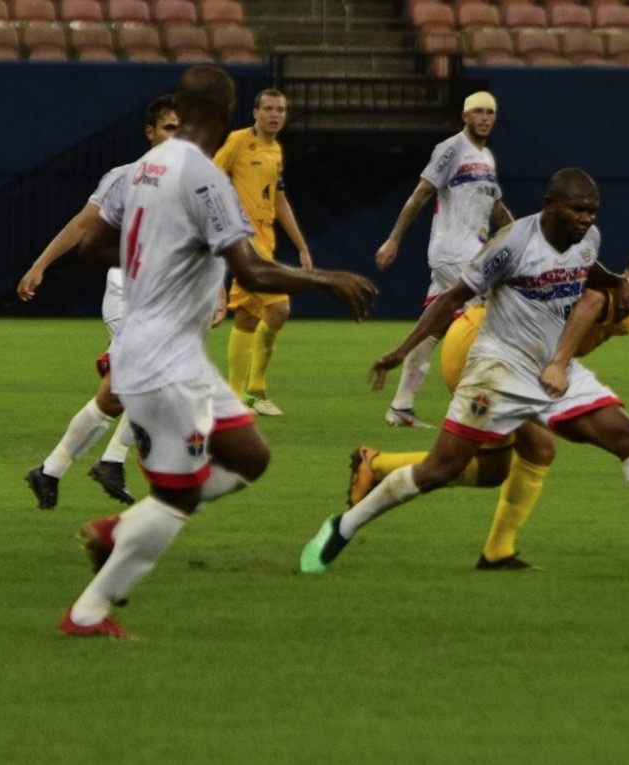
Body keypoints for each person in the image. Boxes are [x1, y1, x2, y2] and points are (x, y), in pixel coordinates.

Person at [61, 65, 377, 638]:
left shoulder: (144, 167)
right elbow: (251, 270)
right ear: (229, 116)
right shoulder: (206, 179)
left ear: (180, 110)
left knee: (250, 457)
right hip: (162, 363)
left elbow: (91, 247)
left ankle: (123, 530)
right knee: (176, 498)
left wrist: (159, 256)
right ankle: (89, 610)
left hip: (171, 353)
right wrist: (329, 279)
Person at [300, 169, 629, 574]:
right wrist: (401, 351)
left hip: (550, 368)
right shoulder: (510, 244)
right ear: (551, 205)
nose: (586, 218)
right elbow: (451, 299)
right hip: (497, 369)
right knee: (439, 470)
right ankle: (343, 526)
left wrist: (613, 282)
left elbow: (587, 271)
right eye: (578, 209)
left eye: (592, 211)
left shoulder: (590, 237)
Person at [19, 95, 180, 509]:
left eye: (182, 129)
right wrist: (40, 265)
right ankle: (109, 461)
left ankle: (53, 469)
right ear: (150, 132)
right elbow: (81, 225)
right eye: (169, 128)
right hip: (127, 294)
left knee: (119, 394)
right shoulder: (124, 178)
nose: (176, 136)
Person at [374, 90, 514, 428]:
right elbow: (421, 193)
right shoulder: (451, 148)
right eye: (478, 111)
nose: (484, 117)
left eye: (490, 112)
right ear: (465, 116)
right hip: (454, 253)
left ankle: (401, 407)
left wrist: (522, 236)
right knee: (491, 318)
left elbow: (496, 209)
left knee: (432, 329)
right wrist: (394, 238)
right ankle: (479, 406)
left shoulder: (487, 157)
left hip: (467, 253)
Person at [215, 88, 311, 417]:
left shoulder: (276, 150)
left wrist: (301, 245)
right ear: (255, 112)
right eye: (268, 109)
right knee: (280, 308)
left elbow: (279, 200)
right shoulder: (237, 141)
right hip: (245, 243)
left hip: (267, 242)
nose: (274, 115)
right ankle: (252, 391)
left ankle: (239, 396)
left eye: (280, 110)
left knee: (248, 317)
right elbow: (211, 179)